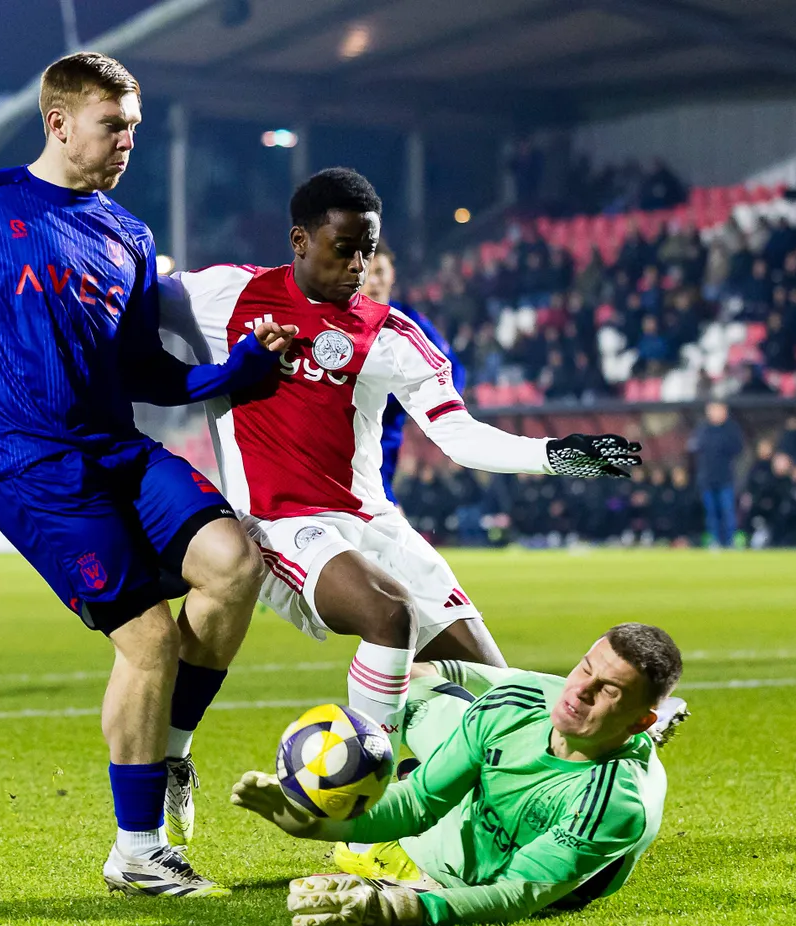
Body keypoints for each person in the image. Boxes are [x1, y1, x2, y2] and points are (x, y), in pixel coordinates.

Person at [0, 53, 297, 897]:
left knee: (234, 563)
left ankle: (170, 752)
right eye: (114, 125)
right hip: (31, 463)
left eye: (134, 128)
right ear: (59, 121)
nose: (127, 142)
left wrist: (238, 374)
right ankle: (138, 850)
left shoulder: (130, 235)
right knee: (148, 636)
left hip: (116, 446)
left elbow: (145, 368)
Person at [163, 167, 643, 748]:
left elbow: (457, 435)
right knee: (388, 616)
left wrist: (555, 454)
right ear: (300, 241)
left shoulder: (391, 332)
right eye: (344, 250)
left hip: (374, 524)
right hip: (282, 524)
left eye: (367, 252)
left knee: (499, 690)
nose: (358, 267)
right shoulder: (226, 294)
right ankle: (376, 794)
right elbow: (127, 297)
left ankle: (619, 740)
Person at [229, 623, 686, 926]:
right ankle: (422, 762)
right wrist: (313, 824)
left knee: (371, 855)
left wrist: (401, 906)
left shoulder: (615, 803)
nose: (580, 691)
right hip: (485, 760)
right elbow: (418, 802)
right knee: (413, 698)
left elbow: (517, 893)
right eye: (585, 668)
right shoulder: (522, 700)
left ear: (641, 720)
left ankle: (422, 841)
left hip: (532, 868)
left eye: (607, 690)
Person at [362, 247, 464, 502]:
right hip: (341, 433)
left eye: (380, 271)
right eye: (367, 272)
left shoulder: (407, 321)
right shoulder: (337, 320)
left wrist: (431, 410)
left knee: (379, 503)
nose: (374, 280)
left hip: (384, 436)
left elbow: (451, 368)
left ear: (392, 274)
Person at [688, 402, 745, 548]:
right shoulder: (703, 429)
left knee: (727, 511)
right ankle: (715, 541)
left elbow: (738, 448)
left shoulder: (731, 429)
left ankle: (729, 541)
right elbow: (695, 447)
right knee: (711, 513)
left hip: (725, 477)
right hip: (707, 478)